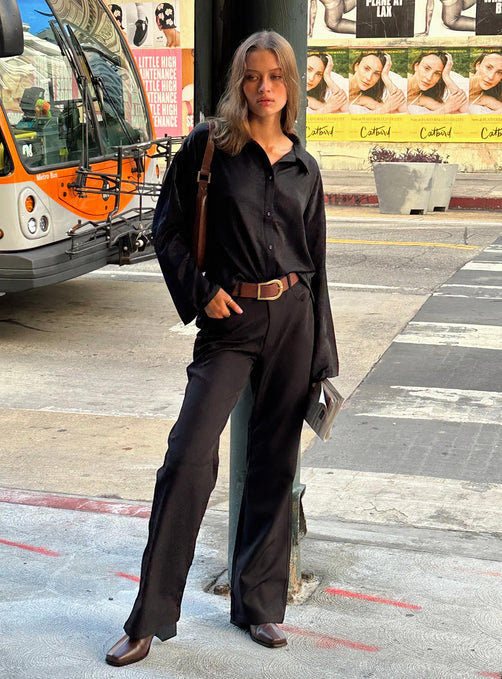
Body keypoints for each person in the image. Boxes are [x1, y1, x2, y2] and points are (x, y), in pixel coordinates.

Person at [105, 30, 338, 667]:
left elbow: (317, 265)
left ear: (291, 85)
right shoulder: (210, 147)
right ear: (239, 82)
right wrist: (200, 291)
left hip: (293, 318)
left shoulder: (304, 167)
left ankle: (258, 606)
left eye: (276, 77)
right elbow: (168, 230)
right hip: (229, 319)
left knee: (274, 465)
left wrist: (323, 358)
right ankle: (149, 618)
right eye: (253, 76)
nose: (265, 88)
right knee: (187, 457)